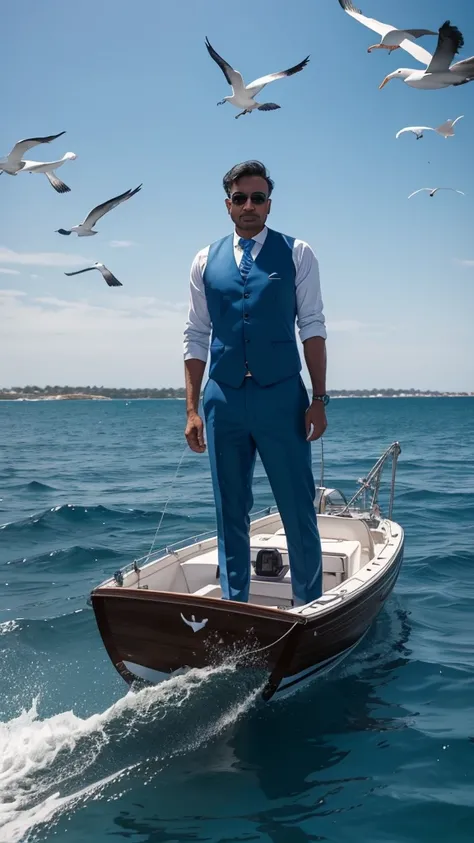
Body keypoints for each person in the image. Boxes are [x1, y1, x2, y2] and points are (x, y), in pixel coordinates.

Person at [183, 160, 328, 606]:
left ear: (269, 204)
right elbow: (196, 335)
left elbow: (313, 326)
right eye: (240, 198)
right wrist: (191, 409)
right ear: (228, 204)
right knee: (230, 510)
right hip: (222, 399)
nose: (249, 206)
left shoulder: (297, 252)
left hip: (282, 396)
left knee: (297, 507)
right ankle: (233, 604)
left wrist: (319, 398)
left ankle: (308, 606)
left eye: (258, 198)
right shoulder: (205, 259)